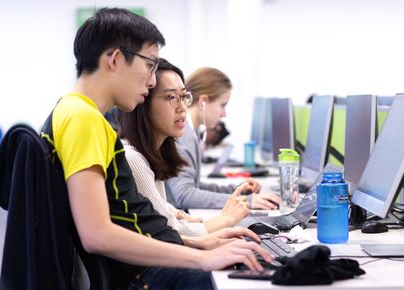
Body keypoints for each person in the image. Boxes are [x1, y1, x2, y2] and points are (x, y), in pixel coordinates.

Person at [40, 8, 271, 290]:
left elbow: (125, 221)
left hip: (145, 265)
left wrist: (197, 243)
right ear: (114, 59)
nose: (151, 80)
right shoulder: (83, 118)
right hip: (141, 276)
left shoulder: (75, 112)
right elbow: (97, 234)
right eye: (149, 65)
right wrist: (200, 258)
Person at [117, 58, 250, 236]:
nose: (182, 108)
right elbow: (172, 231)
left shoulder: (152, 155)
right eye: (171, 97)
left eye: (183, 97)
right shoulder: (133, 158)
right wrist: (227, 218)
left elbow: (156, 208)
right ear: (143, 102)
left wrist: (174, 212)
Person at [165, 67, 282, 210]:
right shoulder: (183, 135)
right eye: (222, 105)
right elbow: (184, 195)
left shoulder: (189, 131)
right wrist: (245, 201)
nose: (224, 114)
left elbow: (193, 186)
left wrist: (237, 191)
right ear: (203, 101)